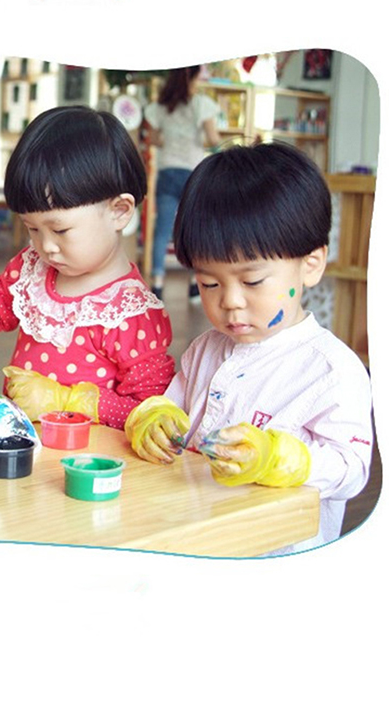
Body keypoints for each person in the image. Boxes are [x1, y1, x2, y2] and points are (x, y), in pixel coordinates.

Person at [125, 142, 374, 554]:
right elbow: (171, 407)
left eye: (252, 281)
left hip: (275, 558)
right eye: (209, 283)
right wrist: (154, 420)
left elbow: (352, 469)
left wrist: (276, 459)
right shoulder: (205, 348)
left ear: (311, 265)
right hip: (196, 539)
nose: (230, 301)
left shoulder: (332, 370)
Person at [0, 105, 175, 430]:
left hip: (85, 458)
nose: (45, 246)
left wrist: (67, 401)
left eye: (60, 230)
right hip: (21, 443)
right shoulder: (32, 269)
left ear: (119, 211)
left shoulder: (132, 314)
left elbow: (151, 414)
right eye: (32, 228)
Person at [144, 65, 221, 301]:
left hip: (167, 171)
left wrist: (169, 141)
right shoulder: (201, 105)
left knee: (162, 230)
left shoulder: (160, 106)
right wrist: (203, 144)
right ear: (194, 76)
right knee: (193, 230)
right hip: (192, 173)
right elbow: (213, 139)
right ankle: (194, 283)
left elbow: (153, 139)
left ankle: (157, 283)